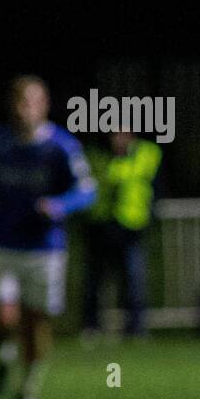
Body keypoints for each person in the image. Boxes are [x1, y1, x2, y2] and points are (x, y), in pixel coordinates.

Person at [0, 75, 96, 399]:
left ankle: (28, 389)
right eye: (19, 102)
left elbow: (87, 190)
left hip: (45, 247)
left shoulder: (62, 147)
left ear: (44, 105)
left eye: (31, 102)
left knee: (34, 322)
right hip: (3, 242)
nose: (24, 109)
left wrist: (60, 206)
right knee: (1, 314)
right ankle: (2, 356)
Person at [81, 128, 162, 340]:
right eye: (115, 134)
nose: (119, 139)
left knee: (134, 280)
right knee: (95, 281)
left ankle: (136, 328)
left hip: (131, 226)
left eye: (124, 133)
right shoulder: (96, 155)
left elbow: (155, 186)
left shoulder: (147, 153)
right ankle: (91, 327)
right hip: (101, 225)